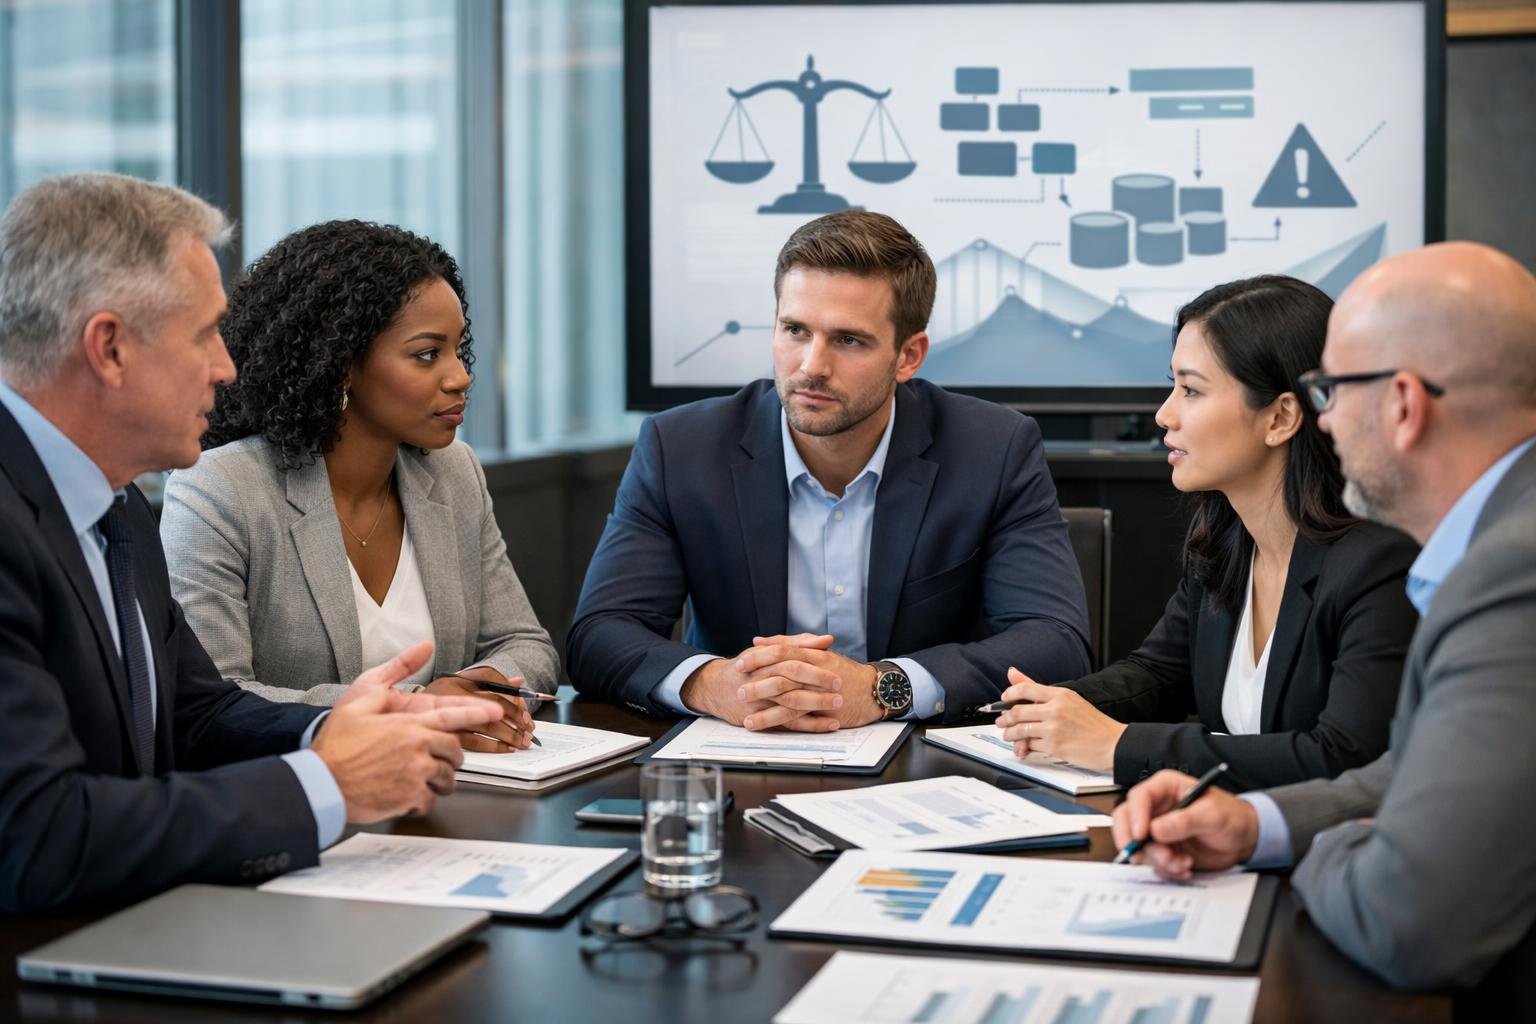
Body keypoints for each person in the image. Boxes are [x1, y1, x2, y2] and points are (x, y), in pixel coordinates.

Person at [0, 173, 504, 912]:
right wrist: (327, 784)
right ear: (109, 348)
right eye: (205, 334)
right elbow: (38, 838)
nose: (228, 367)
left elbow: (196, 714)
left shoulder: (116, 503)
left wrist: (353, 725)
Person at [1111, 242, 1536, 1014]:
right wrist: (1256, 824)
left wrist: (1336, 842)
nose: (1324, 419)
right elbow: (1402, 771)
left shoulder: (1514, 572)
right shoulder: (1498, 544)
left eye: (1332, 391)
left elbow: (1408, 920)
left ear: (1404, 404)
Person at [567, 210, 1091, 730]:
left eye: (848, 340)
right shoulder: (681, 448)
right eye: (795, 329)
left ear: (909, 356)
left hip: (923, 767)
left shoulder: (993, 450)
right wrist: (712, 684)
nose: (811, 365)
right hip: (738, 753)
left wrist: (883, 687)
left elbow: (1055, 641)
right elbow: (600, 634)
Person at [992, 276, 1418, 791]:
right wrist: (1043, 707)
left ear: (1281, 417)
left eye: (1191, 390)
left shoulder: (1378, 565)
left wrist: (1117, 745)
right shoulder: (1226, 544)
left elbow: (1343, 758)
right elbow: (1157, 676)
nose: (1163, 415)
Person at [159, 221, 557, 752]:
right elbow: (217, 699)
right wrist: (414, 708)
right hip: (298, 799)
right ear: (341, 364)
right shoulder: (220, 489)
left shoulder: (454, 472)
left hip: (452, 793)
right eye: (426, 354)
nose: (459, 375)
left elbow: (525, 643)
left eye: (458, 349)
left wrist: (475, 688)